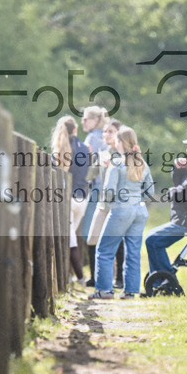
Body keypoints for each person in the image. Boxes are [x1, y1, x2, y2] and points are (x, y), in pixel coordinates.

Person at [89, 126, 154, 300]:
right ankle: (130, 291)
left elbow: (109, 191)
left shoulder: (116, 163)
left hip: (121, 209)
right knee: (133, 251)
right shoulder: (142, 163)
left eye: (116, 141)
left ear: (120, 143)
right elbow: (150, 191)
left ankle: (104, 290)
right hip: (140, 210)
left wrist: (106, 206)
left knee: (104, 250)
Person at [144, 139, 187, 283]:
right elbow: (182, 186)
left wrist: (172, 192)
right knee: (151, 237)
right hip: (183, 219)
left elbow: (184, 192)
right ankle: (160, 280)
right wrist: (179, 170)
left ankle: (167, 282)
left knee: (152, 240)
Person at [49, 116, 91, 282]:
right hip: (82, 198)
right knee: (72, 235)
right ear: (75, 129)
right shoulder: (85, 149)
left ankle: (78, 276)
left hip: (67, 198)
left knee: (69, 238)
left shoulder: (59, 150)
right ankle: (71, 275)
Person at [79, 106, 110, 287]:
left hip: (96, 188)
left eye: (86, 119)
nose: (83, 122)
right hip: (108, 189)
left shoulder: (92, 138)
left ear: (95, 120)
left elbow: (85, 165)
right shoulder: (105, 136)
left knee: (89, 233)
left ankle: (95, 276)